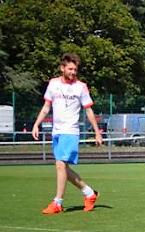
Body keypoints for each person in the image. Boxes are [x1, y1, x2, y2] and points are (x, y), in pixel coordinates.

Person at [32, 53, 103, 214]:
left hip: (70, 132)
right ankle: (89, 193)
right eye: (70, 69)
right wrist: (37, 124)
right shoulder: (53, 84)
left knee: (60, 165)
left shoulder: (81, 87)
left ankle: (57, 202)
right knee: (63, 168)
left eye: (75, 69)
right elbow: (46, 107)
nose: (73, 72)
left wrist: (97, 132)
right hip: (56, 132)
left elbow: (89, 111)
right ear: (62, 68)